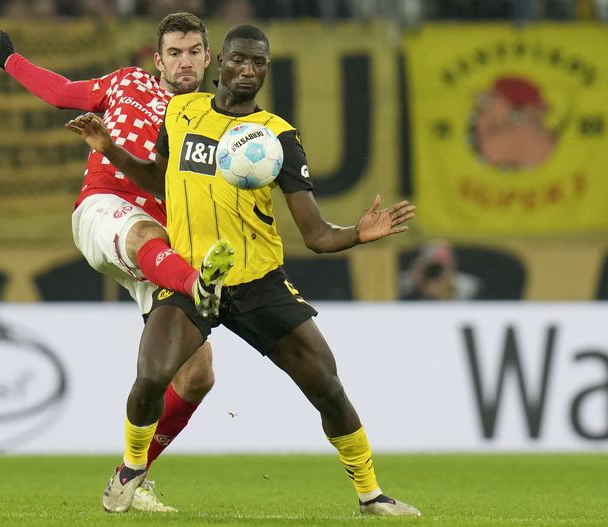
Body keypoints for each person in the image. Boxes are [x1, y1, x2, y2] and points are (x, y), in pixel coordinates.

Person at [66, 24, 421, 516]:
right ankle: (130, 470)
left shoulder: (277, 139)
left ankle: (370, 493)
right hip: (197, 279)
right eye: (238, 60)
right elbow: (160, 181)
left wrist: (357, 233)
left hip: (258, 283)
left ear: (266, 70)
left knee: (327, 386)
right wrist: (111, 150)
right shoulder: (182, 112)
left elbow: (315, 234)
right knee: (150, 376)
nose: (247, 70)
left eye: (258, 63)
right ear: (220, 63)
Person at [0, 12, 234, 512]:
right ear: (158, 60)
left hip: (163, 248)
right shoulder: (126, 83)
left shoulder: (217, 121)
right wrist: (10, 60)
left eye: (193, 52)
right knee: (145, 232)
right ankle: (197, 284)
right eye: (175, 53)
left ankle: (131, 476)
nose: (184, 62)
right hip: (105, 212)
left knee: (198, 375)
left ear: (209, 58)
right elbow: (61, 93)